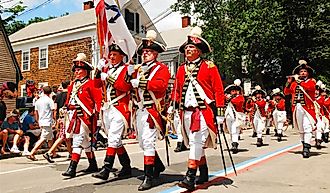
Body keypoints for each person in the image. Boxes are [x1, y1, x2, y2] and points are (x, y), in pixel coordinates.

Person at [168, 26, 225, 191]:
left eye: (191, 47)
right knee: (194, 142)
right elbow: (177, 90)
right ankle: (204, 172)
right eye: (186, 47)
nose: (188, 50)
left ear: (199, 51)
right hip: (185, 112)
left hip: (202, 112)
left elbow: (218, 90)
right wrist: (173, 106)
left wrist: (219, 113)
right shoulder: (180, 69)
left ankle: (190, 176)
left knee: (195, 142)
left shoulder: (209, 67)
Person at [129, 30, 170, 191]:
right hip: (139, 110)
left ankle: (149, 176)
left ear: (155, 54)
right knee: (142, 142)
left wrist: (141, 83)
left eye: (149, 52)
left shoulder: (161, 69)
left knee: (147, 142)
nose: (145, 54)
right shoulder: (138, 69)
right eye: (144, 52)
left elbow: (161, 86)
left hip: (152, 111)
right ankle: (158, 165)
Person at [92, 44, 132, 180]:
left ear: (122, 56)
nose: (112, 57)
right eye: (111, 54)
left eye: (115, 54)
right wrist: (98, 70)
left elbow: (124, 86)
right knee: (114, 140)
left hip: (120, 107)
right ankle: (126, 166)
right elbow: (96, 85)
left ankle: (106, 168)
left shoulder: (126, 69)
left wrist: (107, 77)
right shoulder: (107, 69)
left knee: (114, 138)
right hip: (108, 108)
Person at [62, 53, 102, 178]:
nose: (76, 72)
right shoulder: (72, 85)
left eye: (79, 70)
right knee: (85, 143)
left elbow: (98, 101)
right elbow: (68, 100)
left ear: (85, 71)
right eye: (76, 70)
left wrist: (98, 117)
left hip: (84, 116)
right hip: (72, 115)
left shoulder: (91, 84)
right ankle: (93, 164)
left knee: (77, 142)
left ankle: (72, 168)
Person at [284, 59, 316, 158]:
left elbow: (309, 87)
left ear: (308, 73)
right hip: (297, 107)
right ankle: (304, 145)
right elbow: (286, 92)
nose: (302, 73)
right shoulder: (294, 83)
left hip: (307, 108)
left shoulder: (311, 81)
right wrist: (289, 82)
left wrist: (298, 81)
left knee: (307, 127)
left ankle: (307, 147)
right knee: (301, 129)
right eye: (301, 71)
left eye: (304, 71)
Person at [27, 86, 55, 161]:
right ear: (50, 92)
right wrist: (54, 120)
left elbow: (36, 112)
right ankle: (32, 153)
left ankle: (52, 153)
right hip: (48, 121)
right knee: (43, 138)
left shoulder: (38, 101)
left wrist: (38, 120)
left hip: (41, 121)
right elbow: (53, 110)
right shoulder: (49, 100)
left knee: (50, 137)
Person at [224, 79, 245, 154]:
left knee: (234, 130)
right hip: (228, 116)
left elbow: (238, 102)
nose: (233, 92)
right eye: (232, 91)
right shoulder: (227, 98)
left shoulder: (240, 97)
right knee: (230, 131)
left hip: (237, 116)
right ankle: (234, 142)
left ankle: (235, 144)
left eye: (235, 91)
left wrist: (229, 98)